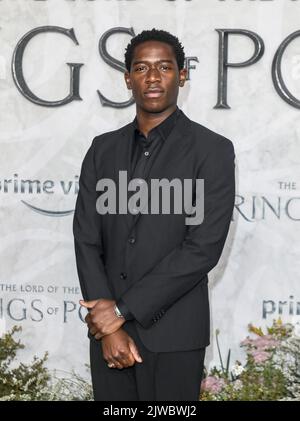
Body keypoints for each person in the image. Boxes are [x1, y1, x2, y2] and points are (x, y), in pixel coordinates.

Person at [73, 28, 235, 401]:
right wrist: (109, 326)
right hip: (109, 336)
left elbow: (202, 248)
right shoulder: (102, 150)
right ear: (128, 78)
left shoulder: (212, 150)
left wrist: (121, 310)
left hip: (175, 335)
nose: (152, 77)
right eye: (141, 68)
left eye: (164, 67)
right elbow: (86, 238)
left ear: (182, 75)